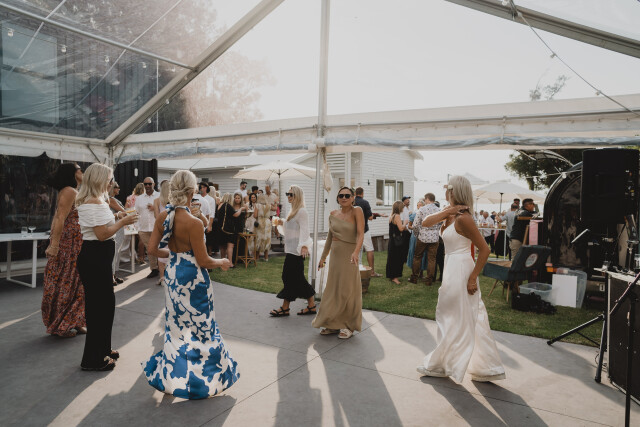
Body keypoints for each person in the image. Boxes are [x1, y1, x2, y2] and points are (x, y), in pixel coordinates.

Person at [142, 170, 238, 399]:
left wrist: (175, 256)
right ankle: (204, 381)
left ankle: (173, 378)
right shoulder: (193, 223)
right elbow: (203, 260)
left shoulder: (163, 216)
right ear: (192, 191)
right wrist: (222, 262)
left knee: (176, 328)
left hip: (173, 275)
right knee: (203, 328)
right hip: (194, 280)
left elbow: (152, 249)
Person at [417, 176, 505, 383]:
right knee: (461, 315)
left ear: (454, 192)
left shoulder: (464, 218)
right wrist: (448, 210)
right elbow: (425, 222)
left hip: (461, 269)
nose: (445, 191)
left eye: (448, 189)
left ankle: (444, 364)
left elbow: (485, 249)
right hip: (451, 266)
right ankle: (485, 367)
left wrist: (473, 278)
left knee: (456, 316)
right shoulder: (450, 214)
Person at [76, 163, 139, 371]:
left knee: (105, 306)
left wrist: (118, 216)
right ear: (100, 180)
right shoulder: (94, 202)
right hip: (95, 258)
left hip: (98, 258)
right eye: (109, 179)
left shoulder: (96, 201)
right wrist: (124, 222)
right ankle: (92, 359)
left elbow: (102, 225)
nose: (111, 183)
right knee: (98, 309)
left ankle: (103, 348)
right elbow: (102, 234)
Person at [313, 187, 364, 339]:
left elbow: (361, 234)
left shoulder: (357, 211)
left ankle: (348, 325)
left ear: (353, 197)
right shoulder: (333, 214)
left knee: (347, 289)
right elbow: (330, 237)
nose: (344, 198)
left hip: (350, 255)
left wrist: (356, 252)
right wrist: (323, 257)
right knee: (333, 290)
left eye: (347, 195)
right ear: (337, 198)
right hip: (335, 256)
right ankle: (332, 324)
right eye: (341, 195)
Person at [42, 163, 86, 338]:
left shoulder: (73, 191)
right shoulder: (69, 191)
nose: (82, 171)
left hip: (75, 243)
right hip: (69, 244)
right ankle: (61, 325)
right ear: (72, 173)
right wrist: (54, 244)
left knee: (77, 283)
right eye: (79, 169)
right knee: (66, 283)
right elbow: (59, 217)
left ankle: (75, 321)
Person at [269, 185, 316, 317]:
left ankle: (286, 307)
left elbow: (305, 230)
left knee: (289, 277)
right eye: (287, 194)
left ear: (297, 196)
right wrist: (281, 222)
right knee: (295, 278)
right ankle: (310, 305)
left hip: (297, 251)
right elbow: (292, 229)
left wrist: (304, 246)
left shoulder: (302, 211)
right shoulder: (293, 211)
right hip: (291, 250)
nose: (288, 196)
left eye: (291, 194)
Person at [409, 193, 442, 285]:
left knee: (417, 257)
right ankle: (429, 280)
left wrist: (416, 234)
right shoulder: (439, 210)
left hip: (423, 236)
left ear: (427, 199)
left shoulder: (422, 209)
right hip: (434, 237)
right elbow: (441, 224)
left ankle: (414, 278)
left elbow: (415, 224)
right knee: (432, 259)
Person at [135, 177, 160, 278]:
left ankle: (162, 267)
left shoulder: (159, 196)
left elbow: (166, 210)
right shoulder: (139, 198)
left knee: (158, 248)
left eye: (150, 184)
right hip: (144, 228)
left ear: (154, 184)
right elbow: (136, 213)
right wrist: (138, 228)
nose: (148, 186)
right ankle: (154, 269)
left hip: (156, 228)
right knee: (150, 250)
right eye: (145, 184)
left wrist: (155, 208)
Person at [354, 187, 381, 277]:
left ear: (355, 193)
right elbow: (370, 217)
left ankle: (355, 271)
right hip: (364, 230)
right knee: (370, 249)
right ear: (362, 193)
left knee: (355, 250)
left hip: (353, 231)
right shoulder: (365, 202)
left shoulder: (351, 202)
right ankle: (372, 272)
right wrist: (377, 215)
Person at [153, 180, 171, 285]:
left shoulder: (157, 200)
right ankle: (170, 276)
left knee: (160, 252)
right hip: (172, 228)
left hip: (161, 229)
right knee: (171, 251)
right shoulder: (174, 200)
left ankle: (162, 277)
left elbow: (156, 216)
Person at [108, 181, 126, 285]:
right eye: (116, 187)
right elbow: (123, 211)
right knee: (114, 252)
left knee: (116, 253)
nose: (119, 189)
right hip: (116, 227)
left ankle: (113, 274)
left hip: (117, 226)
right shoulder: (111, 199)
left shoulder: (112, 199)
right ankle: (111, 276)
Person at [386, 201, 407, 285]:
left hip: (392, 241)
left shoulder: (392, 215)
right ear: (399, 207)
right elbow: (401, 229)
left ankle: (391, 275)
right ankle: (395, 277)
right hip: (397, 242)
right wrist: (405, 223)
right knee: (397, 258)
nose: (403, 208)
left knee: (392, 258)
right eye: (402, 207)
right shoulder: (397, 216)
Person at [406, 200, 428, 276]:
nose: (420, 206)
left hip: (423, 236)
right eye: (418, 205)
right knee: (414, 253)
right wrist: (415, 228)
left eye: (421, 205)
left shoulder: (426, 215)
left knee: (423, 253)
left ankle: (421, 272)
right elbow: (409, 226)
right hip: (415, 236)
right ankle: (414, 272)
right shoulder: (414, 214)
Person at [126, 183, 145, 263]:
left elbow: (126, 208)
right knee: (141, 239)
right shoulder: (143, 198)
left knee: (132, 239)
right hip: (140, 220)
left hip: (131, 219)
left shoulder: (129, 197)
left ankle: (133, 256)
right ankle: (141, 257)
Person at [255, 194, 272, 261]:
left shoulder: (257, 205)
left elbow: (255, 215)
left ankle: (257, 257)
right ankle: (266, 257)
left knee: (259, 238)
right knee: (267, 239)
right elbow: (275, 209)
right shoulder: (269, 205)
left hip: (260, 222)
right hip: (267, 222)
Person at [399, 196, 412, 263]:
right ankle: (403, 259)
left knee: (408, 246)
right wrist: (405, 228)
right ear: (403, 201)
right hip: (405, 229)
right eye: (407, 200)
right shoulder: (402, 209)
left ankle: (405, 259)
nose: (408, 201)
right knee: (404, 245)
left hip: (410, 229)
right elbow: (401, 220)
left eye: (409, 200)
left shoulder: (409, 208)